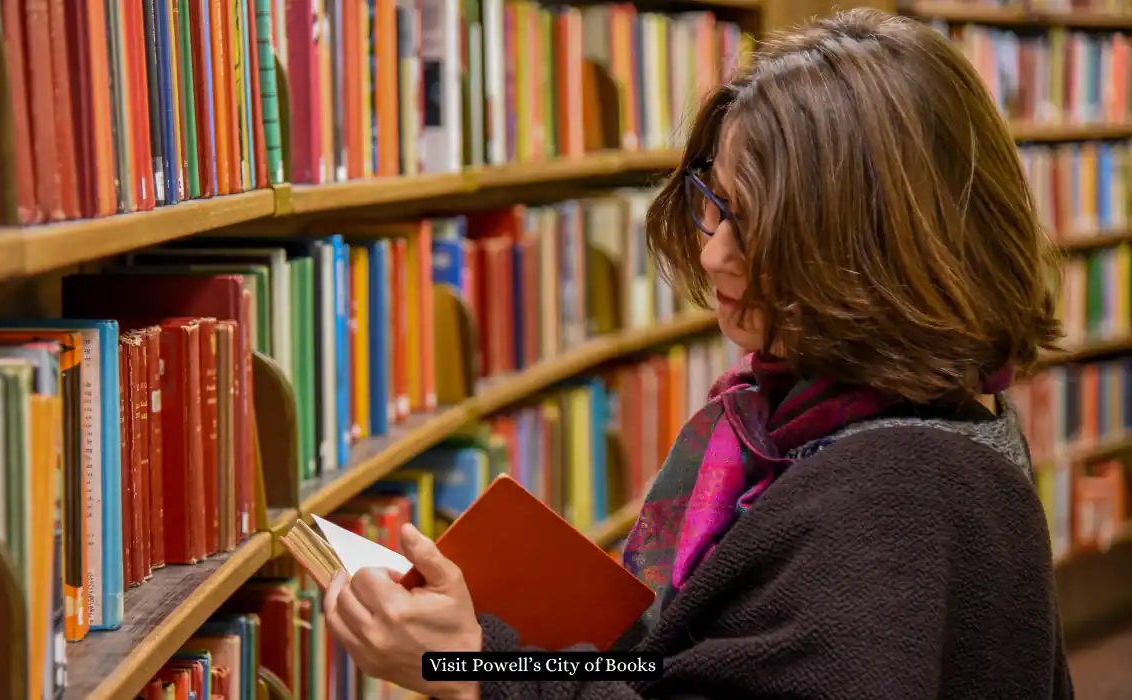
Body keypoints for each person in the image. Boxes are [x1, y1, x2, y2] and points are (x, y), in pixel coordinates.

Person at [322, 8, 1075, 700]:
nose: (713, 252)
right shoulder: (798, 421)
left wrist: (474, 669)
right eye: (713, 202)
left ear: (867, 247)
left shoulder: (893, 501)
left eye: (751, 224)